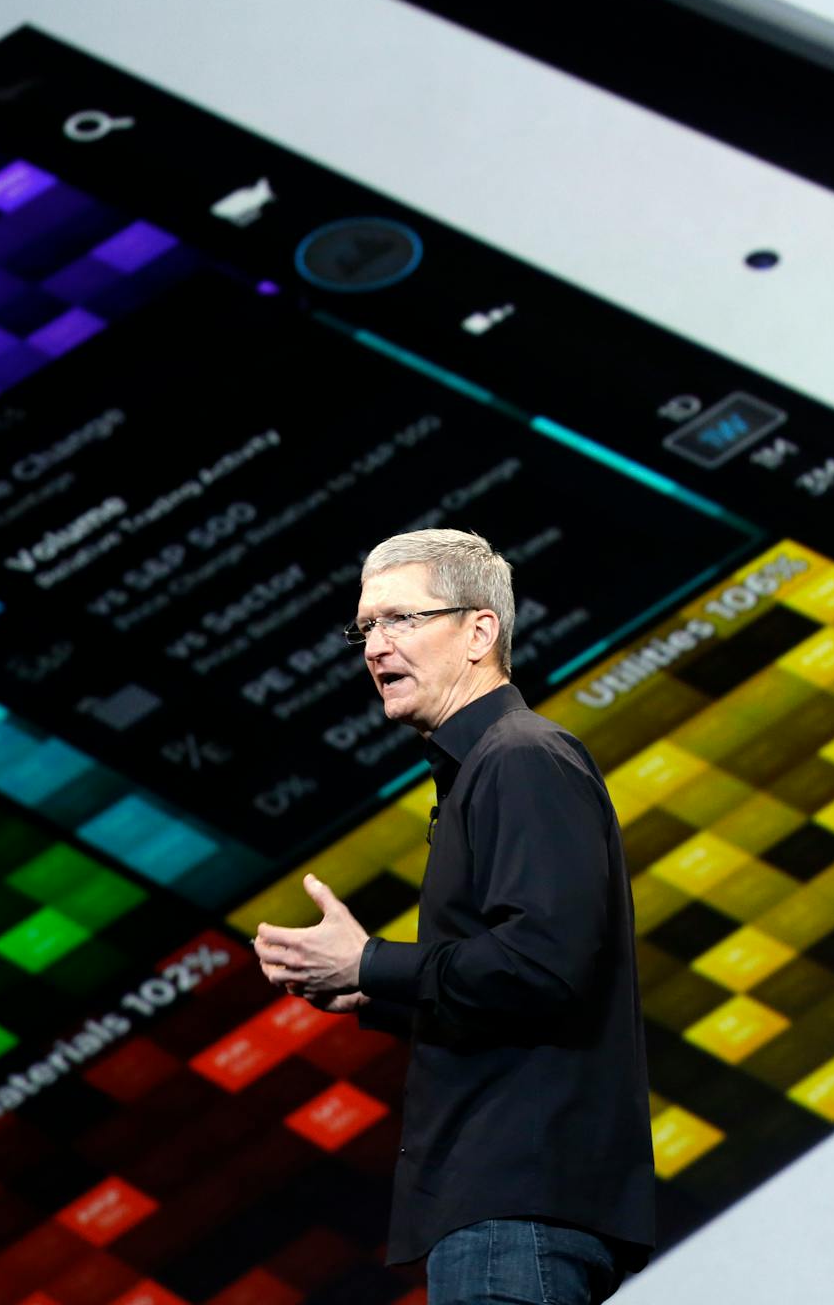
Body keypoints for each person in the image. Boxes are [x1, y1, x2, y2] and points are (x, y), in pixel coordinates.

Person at [252, 528, 656, 1304]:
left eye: (402, 620)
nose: (376, 647)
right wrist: (377, 993)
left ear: (480, 631)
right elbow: (516, 987)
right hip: (502, 1207)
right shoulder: (483, 770)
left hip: (519, 1206)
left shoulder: (521, 757)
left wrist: (372, 962)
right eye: (366, 628)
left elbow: (545, 966)